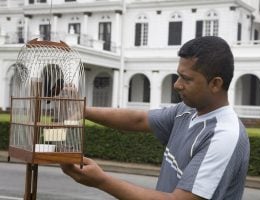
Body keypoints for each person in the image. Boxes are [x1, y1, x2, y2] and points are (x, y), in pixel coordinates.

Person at [61, 36, 250, 200]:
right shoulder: (187, 110)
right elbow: (139, 119)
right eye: (178, 76)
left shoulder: (224, 135)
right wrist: (83, 110)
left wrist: (101, 180)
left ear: (215, 84)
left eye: (187, 79)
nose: (177, 85)